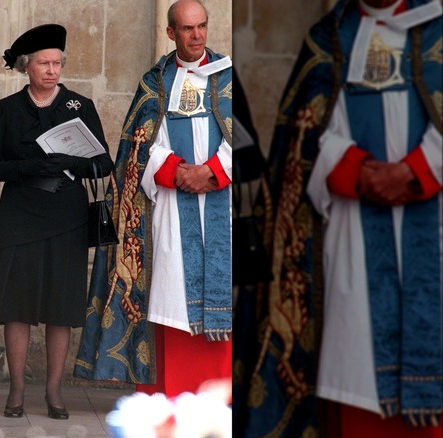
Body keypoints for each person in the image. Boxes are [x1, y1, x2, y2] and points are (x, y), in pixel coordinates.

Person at [241, 0, 442, 436]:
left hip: (433, 230)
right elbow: (303, 136)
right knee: (355, 393)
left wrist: (417, 170)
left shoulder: (438, 28)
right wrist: (354, 170)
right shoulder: (328, 39)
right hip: (352, 235)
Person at [74, 0, 233, 399]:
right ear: (171, 33)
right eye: (187, 29)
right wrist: (177, 171)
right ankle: (171, 395)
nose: (196, 36)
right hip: (171, 213)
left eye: (201, 27)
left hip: (223, 205)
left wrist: (213, 170)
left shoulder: (231, 79)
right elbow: (137, 150)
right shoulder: (155, 83)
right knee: (171, 296)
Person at [0, 23, 114, 419]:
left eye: (57, 63)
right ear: (27, 66)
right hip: (20, 216)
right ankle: (17, 389)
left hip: (67, 216)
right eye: (44, 63)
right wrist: (25, 167)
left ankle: (54, 391)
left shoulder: (79, 106)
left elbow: (104, 162)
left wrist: (75, 161)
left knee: (61, 307)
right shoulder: (7, 108)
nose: (52, 70)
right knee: (17, 305)